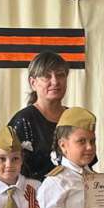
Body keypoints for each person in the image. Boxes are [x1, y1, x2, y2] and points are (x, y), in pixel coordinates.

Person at [8, 52, 70, 182]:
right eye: (47, 76)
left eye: (60, 75)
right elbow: (9, 171)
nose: (55, 81)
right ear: (33, 83)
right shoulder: (23, 121)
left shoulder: (75, 118)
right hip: (32, 194)